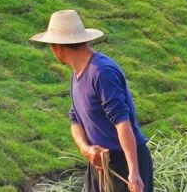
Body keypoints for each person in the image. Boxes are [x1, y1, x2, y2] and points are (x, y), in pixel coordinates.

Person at [31, 10, 153, 192]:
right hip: (99, 165)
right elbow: (75, 118)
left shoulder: (101, 72)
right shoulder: (77, 73)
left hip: (124, 164)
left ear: (57, 47)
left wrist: (134, 172)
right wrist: (85, 148)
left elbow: (122, 122)